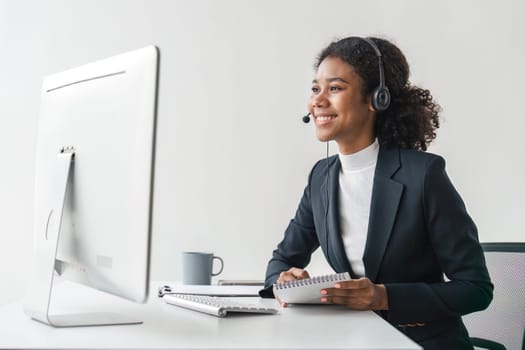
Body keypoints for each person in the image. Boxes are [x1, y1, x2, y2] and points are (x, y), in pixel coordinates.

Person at [259, 36, 493, 350]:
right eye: (316, 88)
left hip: (422, 343)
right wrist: (282, 282)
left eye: (335, 88)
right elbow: (282, 260)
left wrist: (383, 296)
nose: (317, 100)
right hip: (356, 340)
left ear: (376, 99)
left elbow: (475, 288)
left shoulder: (423, 175)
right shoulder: (321, 178)